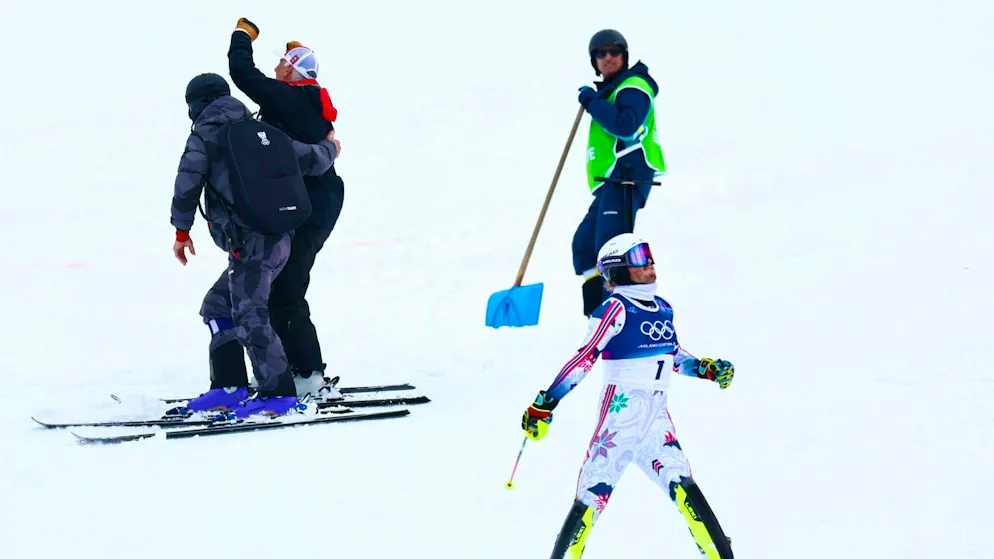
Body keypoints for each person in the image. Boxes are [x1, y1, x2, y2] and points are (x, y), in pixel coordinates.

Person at [521, 233, 736, 559]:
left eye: (648, 255)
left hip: (656, 414)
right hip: (620, 415)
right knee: (594, 493)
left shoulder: (663, 308)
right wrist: (546, 402)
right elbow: (585, 357)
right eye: (638, 258)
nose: (649, 263)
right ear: (618, 270)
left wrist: (706, 368)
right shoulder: (615, 308)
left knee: (682, 483)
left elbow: (675, 356)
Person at [170, 73, 341, 418]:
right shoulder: (263, 132)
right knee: (218, 305)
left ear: (196, 106)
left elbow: (187, 184)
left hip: (250, 244)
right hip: (280, 240)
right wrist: (330, 147)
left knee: (248, 314)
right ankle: (229, 386)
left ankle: (278, 393)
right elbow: (310, 159)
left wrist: (181, 232)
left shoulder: (205, 137)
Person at [227, 17, 344, 399]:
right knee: (283, 289)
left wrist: (243, 34)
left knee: (286, 292)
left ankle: (309, 376)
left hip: (310, 210)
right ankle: (302, 370)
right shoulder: (305, 100)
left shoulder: (289, 97)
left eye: (282, 64)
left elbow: (242, 73)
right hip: (315, 206)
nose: (276, 68)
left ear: (293, 73)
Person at [573, 29, 667, 318]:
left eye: (614, 51)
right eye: (601, 53)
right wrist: (596, 100)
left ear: (624, 56)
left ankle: (624, 318)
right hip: (610, 182)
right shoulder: (610, 92)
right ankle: (597, 317)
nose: (608, 57)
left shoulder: (634, 85)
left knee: (611, 250)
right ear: (594, 61)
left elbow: (625, 125)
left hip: (627, 175)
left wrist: (592, 102)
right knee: (585, 246)